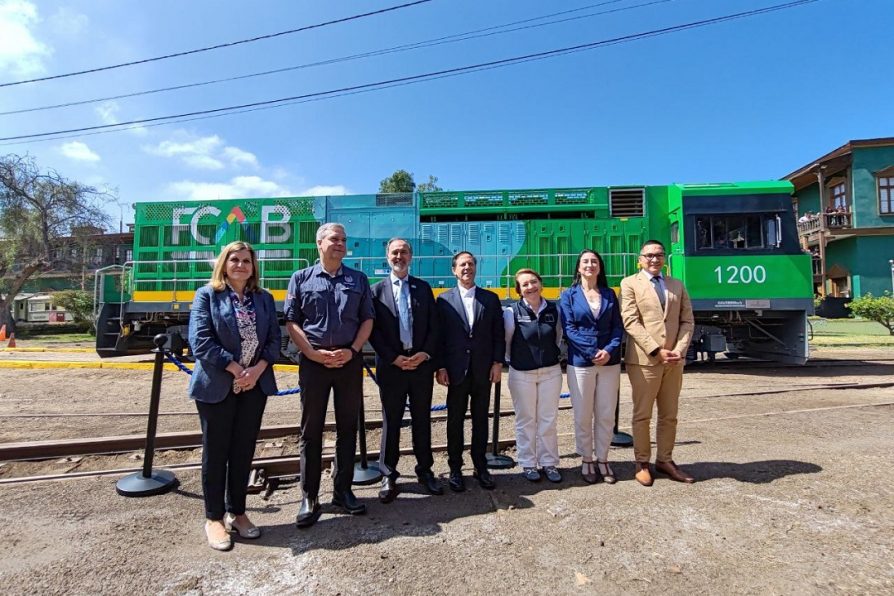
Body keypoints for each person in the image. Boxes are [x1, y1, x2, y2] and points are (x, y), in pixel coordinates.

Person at [187, 241, 280, 551]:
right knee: (216, 452)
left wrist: (255, 372)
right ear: (224, 264)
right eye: (235, 260)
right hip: (218, 384)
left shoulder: (264, 299)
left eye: (247, 261)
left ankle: (237, 513)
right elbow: (200, 342)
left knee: (243, 451)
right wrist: (236, 369)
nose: (241, 265)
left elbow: (274, 341)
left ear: (254, 267)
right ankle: (213, 518)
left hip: (255, 385)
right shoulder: (207, 296)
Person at [284, 223, 375, 527]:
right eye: (334, 239)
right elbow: (292, 321)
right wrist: (311, 353)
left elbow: (367, 319)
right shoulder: (300, 279)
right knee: (311, 431)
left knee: (348, 427)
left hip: (349, 361)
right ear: (319, 243)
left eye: (344, 240)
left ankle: (343, 490)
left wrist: (353, 350)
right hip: (314, 362)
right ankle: (309, 496)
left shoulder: (358, 279)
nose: (340, 244)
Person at [369, 238, 443, 503]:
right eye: (394, 252)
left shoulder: (423, 289)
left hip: (421, 364)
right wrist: (394, 358)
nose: (399, 256)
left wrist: (425, 354)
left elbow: (435, 326)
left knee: (422, 419)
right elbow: (373, 332)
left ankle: (425, 471)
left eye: (404, 252)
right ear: (387, 256)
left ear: (411, 257)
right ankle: (388, 474)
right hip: (392, 367)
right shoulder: (375, 291)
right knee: (391, 421)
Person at [620, 239, 695, 487]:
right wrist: (656, 350)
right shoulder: (630, 283)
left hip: (674, 360)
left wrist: (678, 350)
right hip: (644, 361)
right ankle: (642, 462)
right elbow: (630, 321)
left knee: (669, 415)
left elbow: (687, 321)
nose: (654, 259)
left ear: (664, 259)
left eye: (659, 255)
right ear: (640, 259)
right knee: (642, 415)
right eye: (649, 255)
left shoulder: (677, 284)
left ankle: (665, 460)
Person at [436, 251, 505, 491]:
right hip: (456, 371)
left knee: (480, 420)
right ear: (454, 270)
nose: (467, 268)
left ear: (476, 268)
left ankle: (480, 465)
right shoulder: (443, 300)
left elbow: (498, 335)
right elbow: (440, 338)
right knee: (454, 421)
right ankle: (455, 468)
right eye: (462, 265)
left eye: (471, 264)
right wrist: (441, 366)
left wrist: (497, 363)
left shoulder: (491, 299)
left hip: (483, 370)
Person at [558, 250, 624, 484]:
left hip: (610, 361)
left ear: (600, 267)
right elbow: (569, 329)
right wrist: (592, 351)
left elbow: (618, 327)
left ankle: (603, 458)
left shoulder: (610, 294)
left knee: (606, 414)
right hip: (581, 363)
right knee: (583, 414)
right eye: (585, 261)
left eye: (594, 261)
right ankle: (586, 458)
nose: (589, 265)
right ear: (578, 268)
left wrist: (609, 350)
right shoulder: (568, 295)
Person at [504, 269, 563, 483]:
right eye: (525, 284)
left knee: (548, 419)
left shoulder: (553, 310)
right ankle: (528, 463)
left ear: (541, 283)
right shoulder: (511, 312)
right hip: (521, 373)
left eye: (534, 282)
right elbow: (507, 343)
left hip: (551, 372)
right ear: (519, 290)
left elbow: (557, 338)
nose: (531, 287)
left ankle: (549, 463)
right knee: (525, 420)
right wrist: (518, 361)